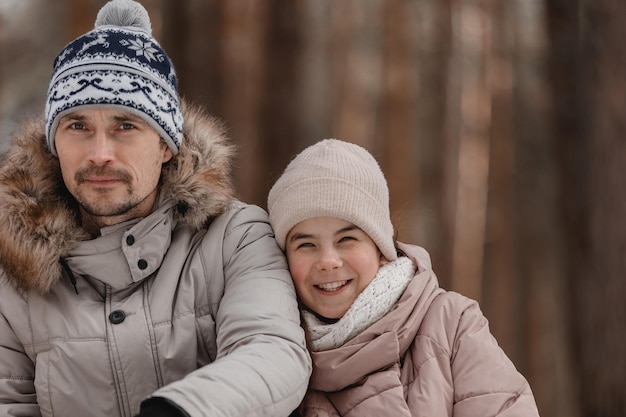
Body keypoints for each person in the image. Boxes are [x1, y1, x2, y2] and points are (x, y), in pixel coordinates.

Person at [0, 1, 311, 416]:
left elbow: (273, 351)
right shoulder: (12, 272)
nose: (100, 153)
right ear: (55, 145)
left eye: (125, 126)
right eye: (78, 127)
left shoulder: (234, 237)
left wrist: (183, 410)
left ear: (166, 144)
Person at [267, 139, 541, 416]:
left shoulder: (451, 325)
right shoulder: (271, 354)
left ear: (381, 248)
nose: (328, 261)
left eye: (347, 239)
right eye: (306, 244)